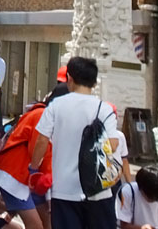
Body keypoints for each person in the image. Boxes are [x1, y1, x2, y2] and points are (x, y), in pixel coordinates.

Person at [30, 56, 119, 229]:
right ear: (94, 83)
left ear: (69, 78)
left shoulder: (56, 105)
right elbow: (114, 144)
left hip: (64, 190)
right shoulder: (104, 108)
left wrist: (33, 168)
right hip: (98, 190)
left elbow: (41, 140)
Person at [0, 97, 59, 229]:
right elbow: (37, 150)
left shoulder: (40, 113)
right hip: (15, 176)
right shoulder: (42, 116)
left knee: (47, 220)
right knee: (36, 226)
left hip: (22, 176)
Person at [116, 163, 158, 229]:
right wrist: (141, 228)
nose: (155, 200)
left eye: (157, 198)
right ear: (141, 189)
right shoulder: (128, 192)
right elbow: (124, 225)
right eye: (152, 198)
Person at [110, 104, 132, 190]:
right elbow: (124, 161)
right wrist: (130, 183)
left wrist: (130, 184)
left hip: (113, 179)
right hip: (112, 178)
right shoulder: (119, 135)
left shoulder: (120, 136)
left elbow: (124, 161)